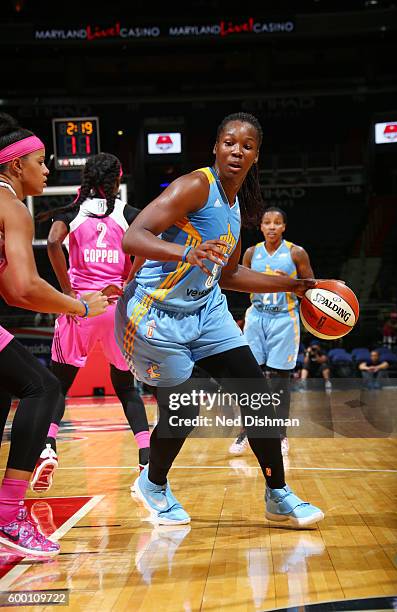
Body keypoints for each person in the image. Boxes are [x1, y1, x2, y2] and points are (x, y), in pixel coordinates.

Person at [115, 112, 325, 528]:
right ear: (216, 146)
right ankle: (152, 484)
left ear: (256, 157)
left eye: (247, 146)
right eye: (229, 142)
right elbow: (132, 236)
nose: (237, 150)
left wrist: (294, 285)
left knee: (258, 397)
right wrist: (184, 253)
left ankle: (278, 495)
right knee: (185, 410)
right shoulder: (195, 185)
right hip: (154, 316)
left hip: (207, 311)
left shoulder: (235, 207)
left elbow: (230, 276)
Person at [0, 113, 108, 557]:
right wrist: (81, 306)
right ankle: (8, 516)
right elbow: (23, 288)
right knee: (42, 388)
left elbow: (13, 290)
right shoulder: (9, 205)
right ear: (14, 166)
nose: (48, 170)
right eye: (41, 162)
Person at [31, 153, 151, 493]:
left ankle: (48, 447)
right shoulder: (128, 214)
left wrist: (67, 291)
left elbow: (53, 241)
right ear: (117, 180)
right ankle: (145, 454)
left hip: (80, 307)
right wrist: (129, 277)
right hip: (115, 308)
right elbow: (149, 242)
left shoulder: (71, 213)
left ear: (86, 179)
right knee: (126, 387)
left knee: (58, 386)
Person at [229, 207, 314, 457]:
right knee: (249, 379)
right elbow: (238, 282)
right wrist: (258, 280)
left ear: (284, 227)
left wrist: (287, 282)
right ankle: (247, 431)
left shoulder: (296, 253)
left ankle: (280, 433)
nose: (272, 227)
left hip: (284, 318)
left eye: (277, 223)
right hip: (256, 317)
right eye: (267, 222)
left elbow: (311, 288)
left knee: (279, 381)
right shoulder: (251, 252)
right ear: (261, 227)